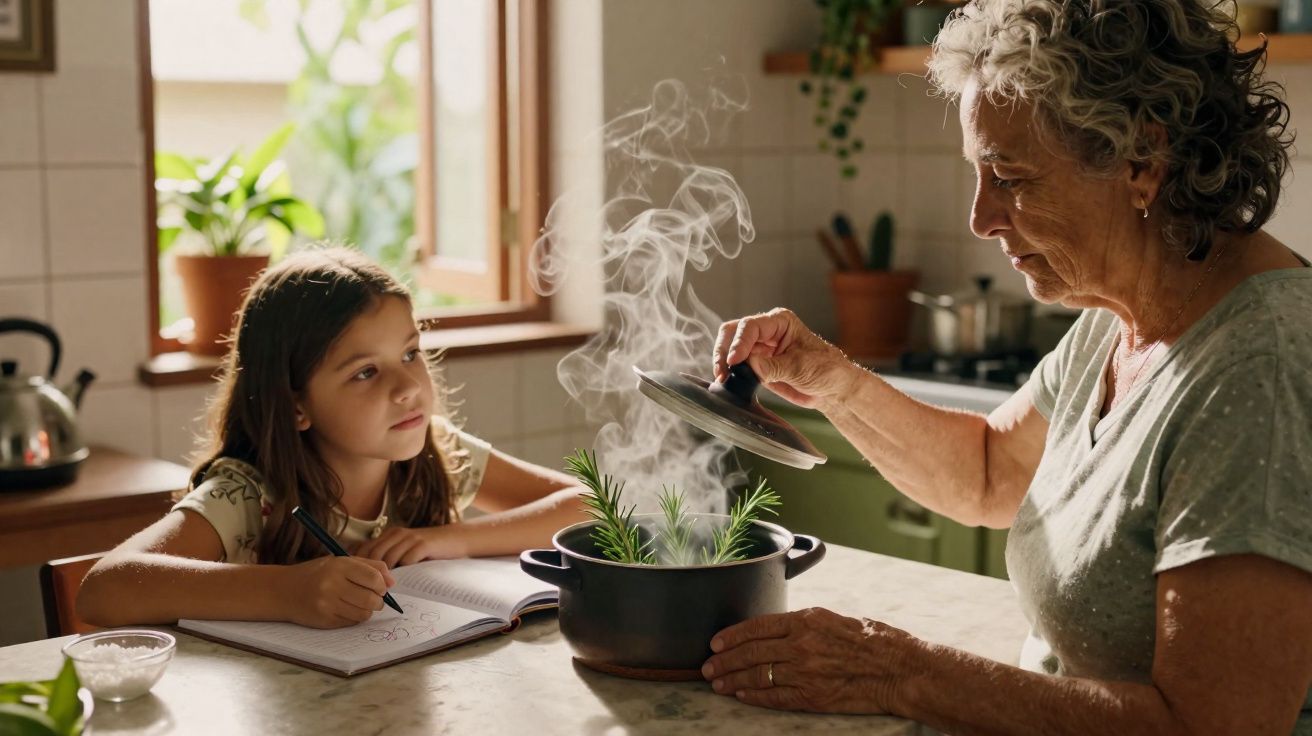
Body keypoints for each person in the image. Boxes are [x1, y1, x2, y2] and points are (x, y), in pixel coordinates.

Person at [699, 1, 1312, 732]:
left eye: (1010, 177)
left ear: (1142, 163)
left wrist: (901, 670)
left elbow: (1210, 727)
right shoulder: (1118, 319)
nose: (979, 217)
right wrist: (831, 378)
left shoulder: (1260, 367)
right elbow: (989, 474)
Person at [79, 248, 588, 629]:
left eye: (411, 353)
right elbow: (104, 589)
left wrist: (452, 539)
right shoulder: (249, 494)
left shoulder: (436, 451)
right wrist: (286, 593)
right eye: (366, 372)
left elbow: (592, 507)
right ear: (296, 404)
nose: (409, 387)